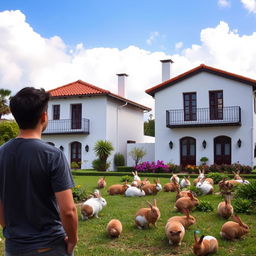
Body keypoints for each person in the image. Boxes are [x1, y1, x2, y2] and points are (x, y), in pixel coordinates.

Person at [0, 87, 78, 256]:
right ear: (43, 117)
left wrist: (9, 229)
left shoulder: (1, 153)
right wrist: (72, 240)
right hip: (49, 247)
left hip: (14, 248)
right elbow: (68, 210)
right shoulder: (53, 155)